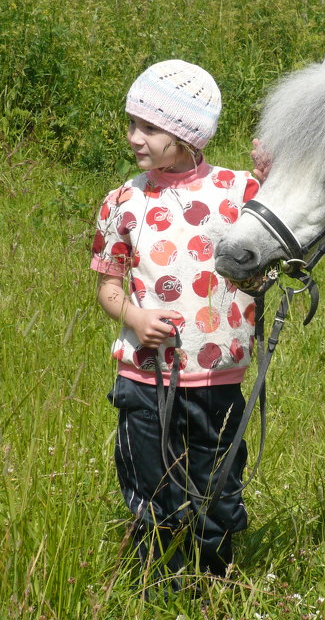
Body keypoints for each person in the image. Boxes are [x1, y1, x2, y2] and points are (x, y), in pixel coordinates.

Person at [90, 59, 267, 580]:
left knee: (217, 492)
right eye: (132, 124)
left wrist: (276, 170)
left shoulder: (240, 192)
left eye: (149, 127)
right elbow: (108, 286)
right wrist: (135, 317)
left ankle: (213, 588)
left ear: (187, 135)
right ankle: (158, 589)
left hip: (217, 379)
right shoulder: (123, 202)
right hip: (144, 380)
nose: (134, 137)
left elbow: (284, 227)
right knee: (151, 493)